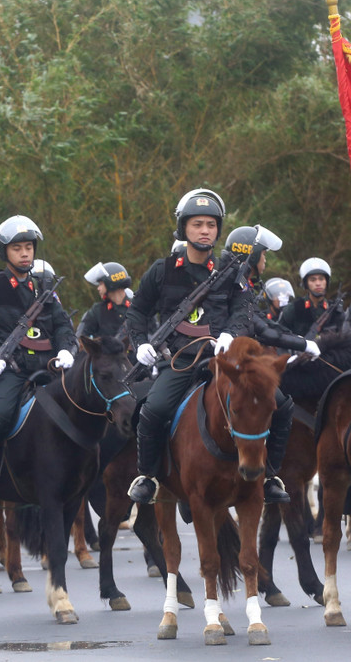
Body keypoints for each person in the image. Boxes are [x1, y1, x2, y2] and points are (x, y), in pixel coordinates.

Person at [126, 188, 252, 504]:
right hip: (179, 360)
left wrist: (231, 334)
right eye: (197, 224)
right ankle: (148, 476)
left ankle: (272, 474)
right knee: (152, 410)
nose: (205, 230)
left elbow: (244, 309)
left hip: (222, 360)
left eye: (211, 224)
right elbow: (137, 311)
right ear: (183, 228)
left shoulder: (232, 270)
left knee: (274, 400)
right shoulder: (161, 270)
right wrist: (140, 343)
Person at [0, 216, 76, 502]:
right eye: (17, 248)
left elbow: (63, 326)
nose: (24, 253)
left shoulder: (43, 287)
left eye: (29, 247)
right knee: (0, 415)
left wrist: (67, 349)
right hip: (9, 371)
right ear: (3, 251)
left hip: (48, 369)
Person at [222, 225, 322, 502]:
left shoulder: (246, 285)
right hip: (222, 361)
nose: (265, 260)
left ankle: (271, 476)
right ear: (252, 257)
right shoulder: (232, 284)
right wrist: (302, 344)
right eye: (263, 254)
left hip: (245, 363)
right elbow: (263, 330)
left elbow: (267, 327)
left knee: (283, 405)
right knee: (162, 406)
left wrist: (300, 342)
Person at [279, 257, 345, 339]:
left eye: (321, 279)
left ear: (327, 282)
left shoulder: (335, 312)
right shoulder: (294, 308)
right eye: (313, 280)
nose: (318, 283)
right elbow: (280, 336)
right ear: (306, 284)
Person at [78, 262, 132, 340]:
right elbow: (80, 337)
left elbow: (149, 333)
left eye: (100, 284)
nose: (98, 288)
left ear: (110, 283)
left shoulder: (137, 307)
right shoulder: (97, 311)